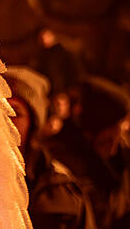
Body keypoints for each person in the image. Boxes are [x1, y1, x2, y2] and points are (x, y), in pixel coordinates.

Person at [3, 65, 95, 229]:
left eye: (15, 112)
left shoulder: (61, 191)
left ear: (33, 125)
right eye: (0, 109)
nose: (6, 120)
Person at [46, 75, 130, 228]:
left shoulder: (120, 162)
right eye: (107, 141)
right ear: (90, 133)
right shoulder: (63, 168)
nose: (112, 150)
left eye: (118, 139)